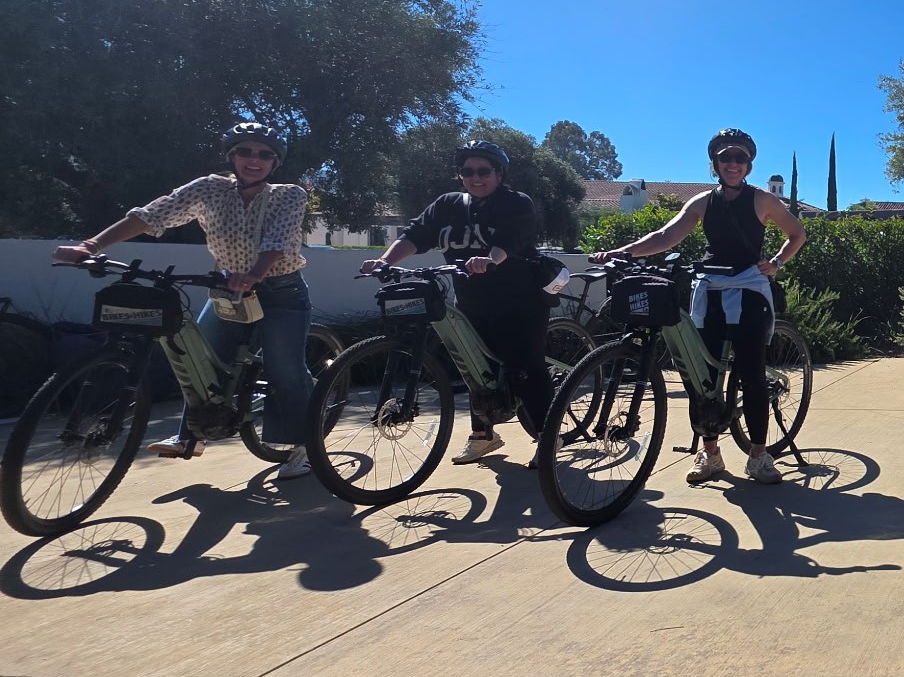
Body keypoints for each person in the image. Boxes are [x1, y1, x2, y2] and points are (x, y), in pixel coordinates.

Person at [53, 121, 315, 478]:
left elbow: (278, 242)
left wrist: (254, 274)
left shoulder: (289, 195)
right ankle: (191, 435)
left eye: (264, 155)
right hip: (228, 287)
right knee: (197, 360)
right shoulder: (209, 189)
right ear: (232, 156)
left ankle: (304, 446)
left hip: (281, 290)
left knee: (285, 369)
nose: (254, 160)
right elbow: (151, 215)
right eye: (245, 151)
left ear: (274, 163)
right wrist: (91, 246)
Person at [591, 128, 806, 485]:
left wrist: (778, 262)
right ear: (715, 163)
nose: (733, 164)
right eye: (726, 158)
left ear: (749, 164)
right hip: (710, 290)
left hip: (749, 290)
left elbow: (796, 234)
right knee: (698, 376)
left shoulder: (763, 201)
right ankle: (711, 453)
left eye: (740, 158)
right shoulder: (703, 202)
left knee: (751, 374)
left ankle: (759, 455)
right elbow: (665, 236)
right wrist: (621, 252)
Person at [361, 140, 556, 464]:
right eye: (467, 171)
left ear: (499, 173)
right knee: (473, 367)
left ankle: (547, 437)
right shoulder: (448, 205)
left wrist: (490, 259)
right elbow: (415, 234)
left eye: (483, 171)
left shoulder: (515, 203)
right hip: (472, 299)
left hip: (520, 300)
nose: (475, 178)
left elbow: (511, 239)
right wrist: (384, 261)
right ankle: (483, 436)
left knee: (524, 369)